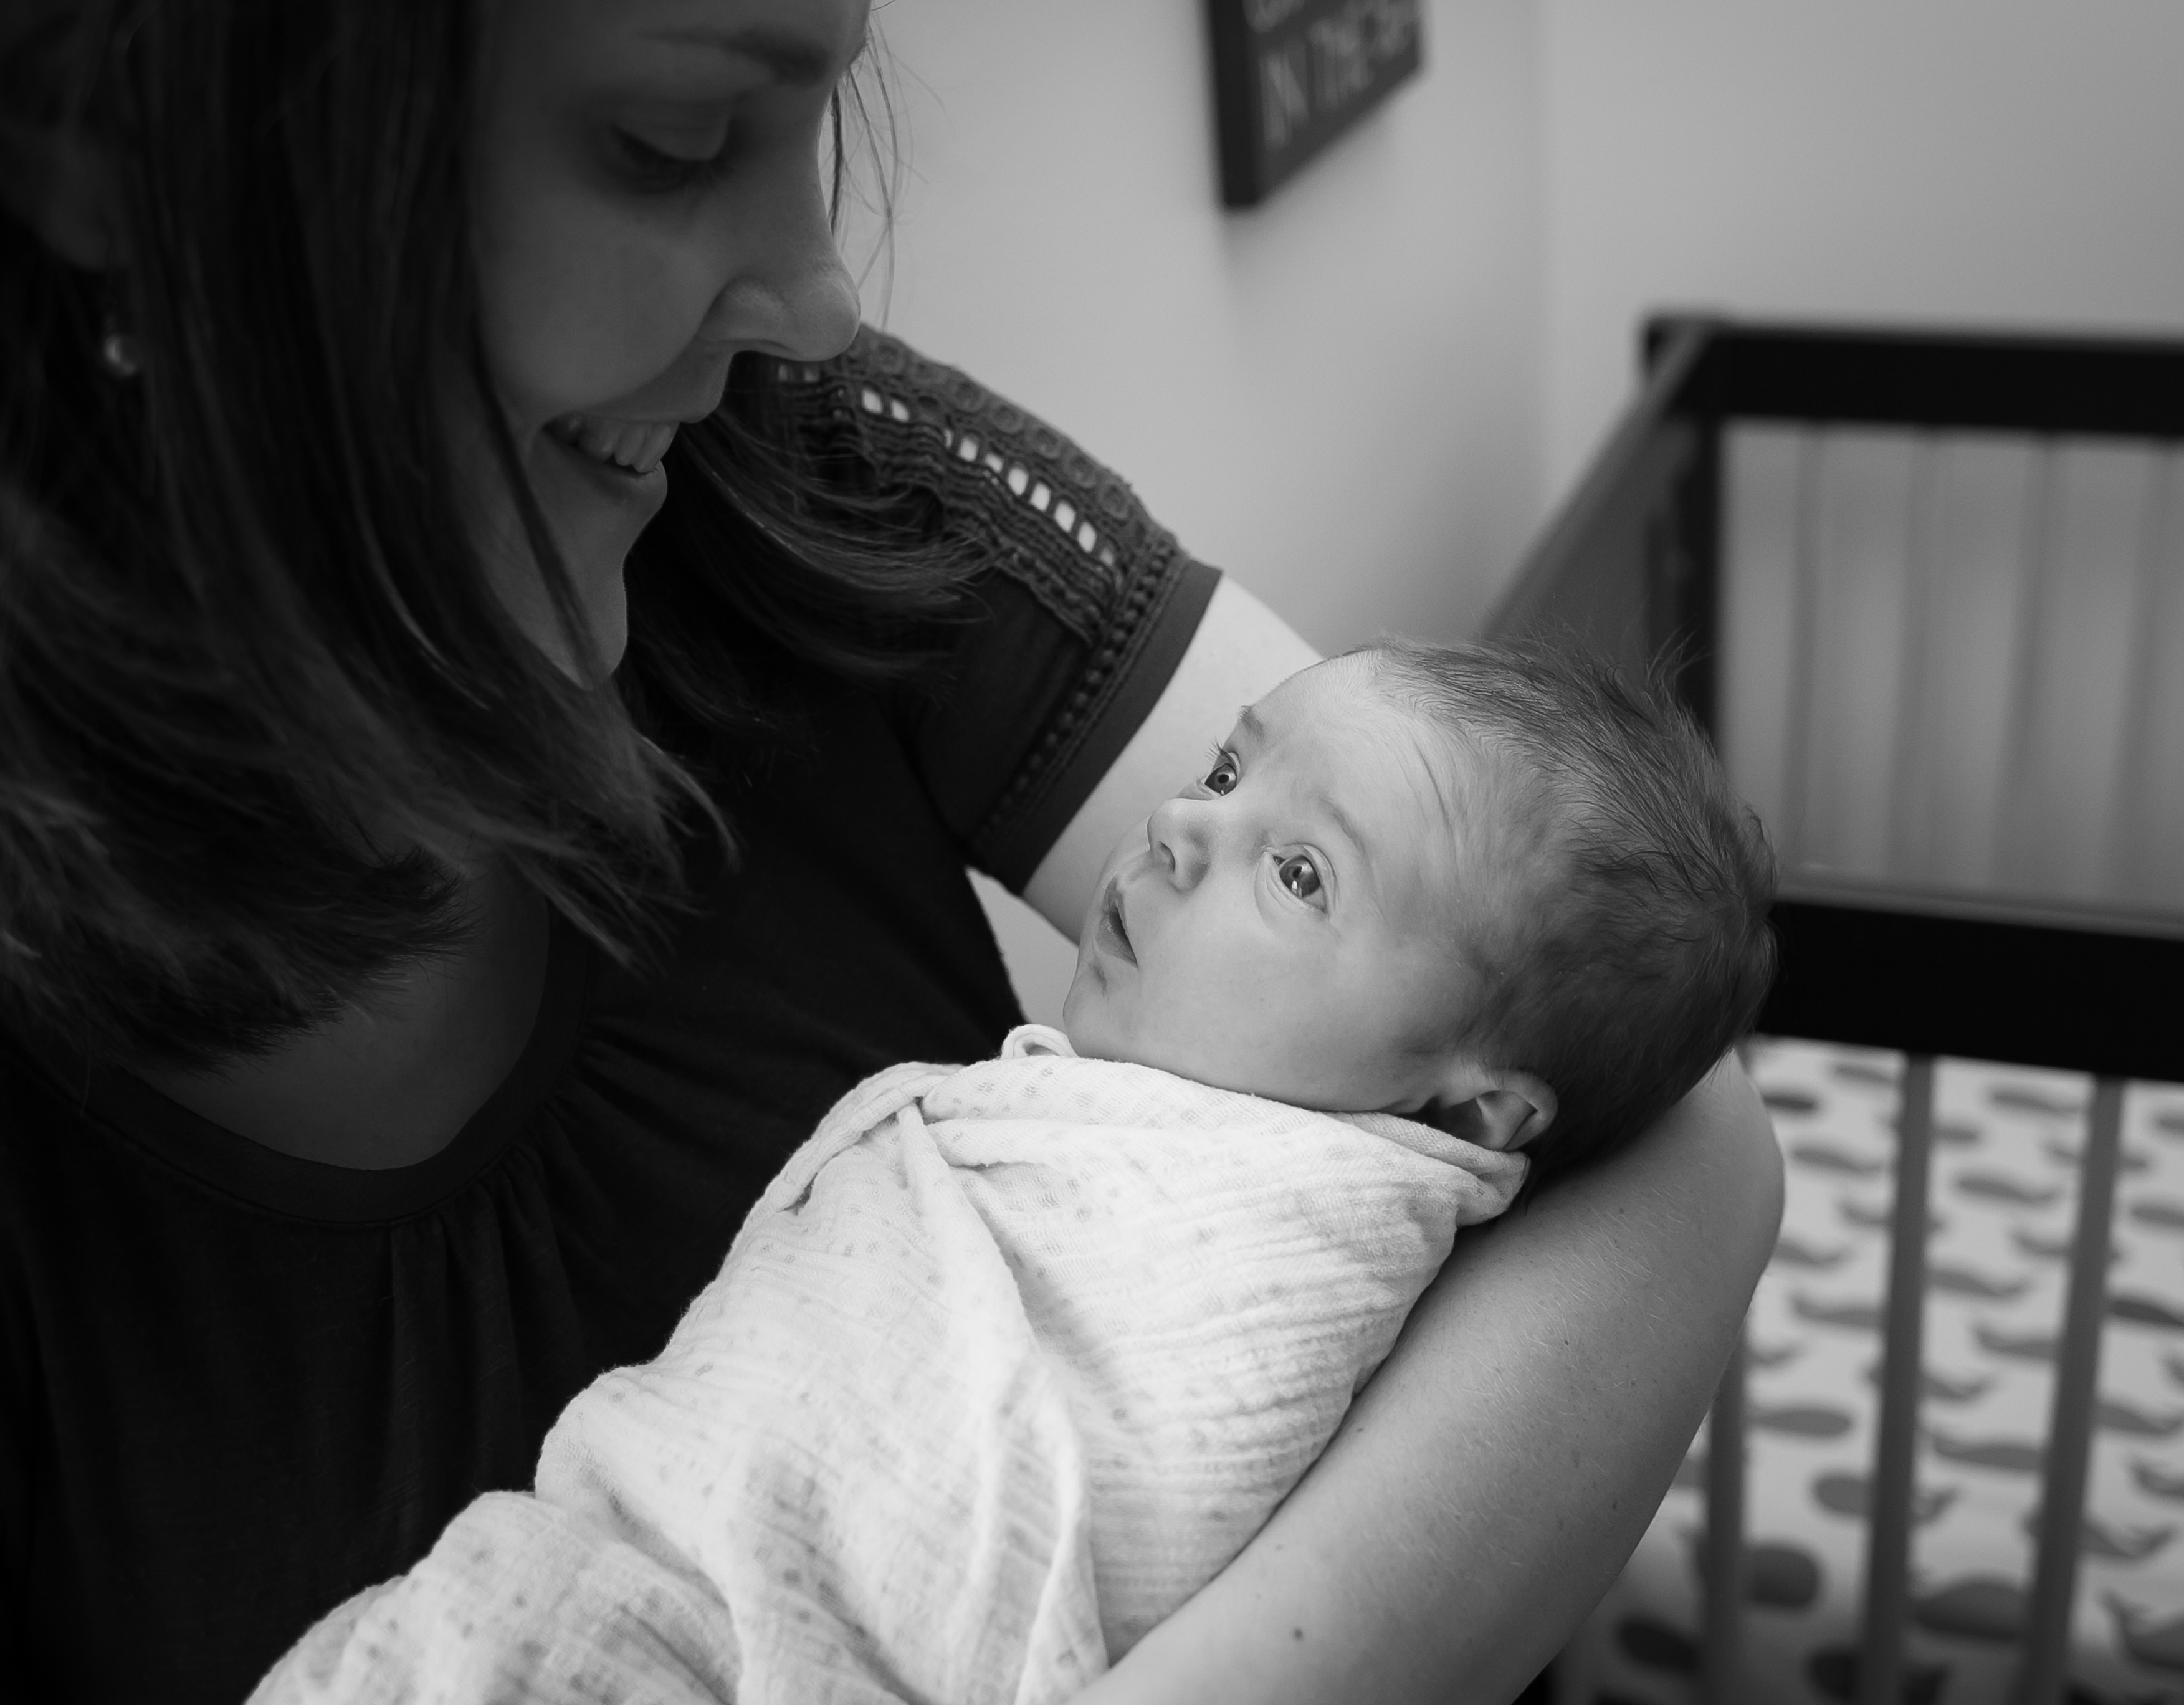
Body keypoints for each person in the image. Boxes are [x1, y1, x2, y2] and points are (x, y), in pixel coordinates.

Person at [0, 2, 1783, 1701]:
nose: (821, 299)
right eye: (672, 138)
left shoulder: (810, 472)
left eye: (817, 112)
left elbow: (1678, 1133)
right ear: (115, 135)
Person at [250, 641, 1780, 1704]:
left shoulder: (1285, 1242)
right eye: (1227, 769)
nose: (1182, 827)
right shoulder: (1115, 1124)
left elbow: (1090, 1491)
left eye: (1301, 872)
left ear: (1477, 1110)